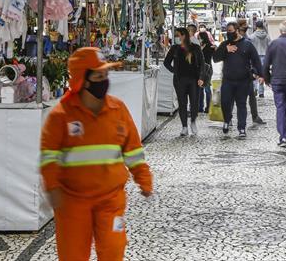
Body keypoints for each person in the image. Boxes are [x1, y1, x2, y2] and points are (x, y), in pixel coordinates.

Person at [40, 47, 153, 261]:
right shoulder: (60, 116)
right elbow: (49, 156)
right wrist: (53, 188)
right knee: (73, 256)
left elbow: (133, 150)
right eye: (98, 76)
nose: (104, 80)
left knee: (113, 251)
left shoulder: (117, 109)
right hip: (72, 202)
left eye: (106, 75)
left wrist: (144, 179)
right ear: (83, 80)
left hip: (110, 200)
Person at [214, 22, 264, 139]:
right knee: (225, 102)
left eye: (231, 31)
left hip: (243, 80)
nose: (229, 33)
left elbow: (256, 60)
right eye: (227, 31)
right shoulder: (225, 44)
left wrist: (260, 74)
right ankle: (227, 120)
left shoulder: (247, 44)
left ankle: (241, 128)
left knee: (241, 104)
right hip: (228, 80)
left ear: (237, 30)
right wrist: (225, 49)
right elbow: (215, 58)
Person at [163, 28, 206, 137]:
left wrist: (201, 77)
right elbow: (166, 62)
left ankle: (193, 122)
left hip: (194, 80)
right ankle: (184, 127)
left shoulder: (195, 48)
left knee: (194, 102)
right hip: (180, 80)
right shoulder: (175, 49)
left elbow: (202, 64)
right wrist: (174, 71)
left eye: (178, 35)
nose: (177, 38)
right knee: (182, 103)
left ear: (184, 36)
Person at [239, 19, 266, 124]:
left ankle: (255, 116)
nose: (246, 27)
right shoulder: (236, 39)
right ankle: (230, 119)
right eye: (244, 25)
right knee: (238, 97)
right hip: (237, 72)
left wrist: (256, 72)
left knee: (251, 96)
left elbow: (252, 58)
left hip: (247, 72)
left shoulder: (248, 38)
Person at [247, 21, 271, 98]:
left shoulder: (252, 36)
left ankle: (254, 89)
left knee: (254, 72)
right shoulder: (267, 36)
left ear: (256, 26)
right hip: (265, 56)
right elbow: (270, 47)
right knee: (262, 73)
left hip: (255, 56)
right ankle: (261, 92)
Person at [197, 30, 215, 114]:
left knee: (207, 88)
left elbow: (215, 56)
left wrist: (215, 48)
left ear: (203, 38)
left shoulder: (210, 46)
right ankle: (200, 107)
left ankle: (208, 107)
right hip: (200, 69)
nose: (198, 39)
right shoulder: (198, 46)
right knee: (200, 88)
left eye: (199, 38)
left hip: (207, 69)